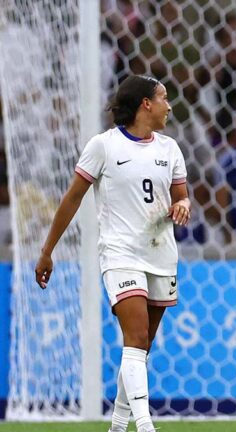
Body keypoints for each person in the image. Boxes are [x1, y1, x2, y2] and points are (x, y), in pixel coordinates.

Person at [35, 75, 190, 432]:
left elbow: (182, 196)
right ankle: (145, 425)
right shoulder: (103, 146)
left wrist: (182, 206)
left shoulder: (170, 149)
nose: (169, 105)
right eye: (164, 98)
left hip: (161, 253)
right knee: (135, 337)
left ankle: (118, 425)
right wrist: (47, 251)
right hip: (120, 253)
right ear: (145, 104)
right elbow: (73, 197)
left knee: (141, 347)